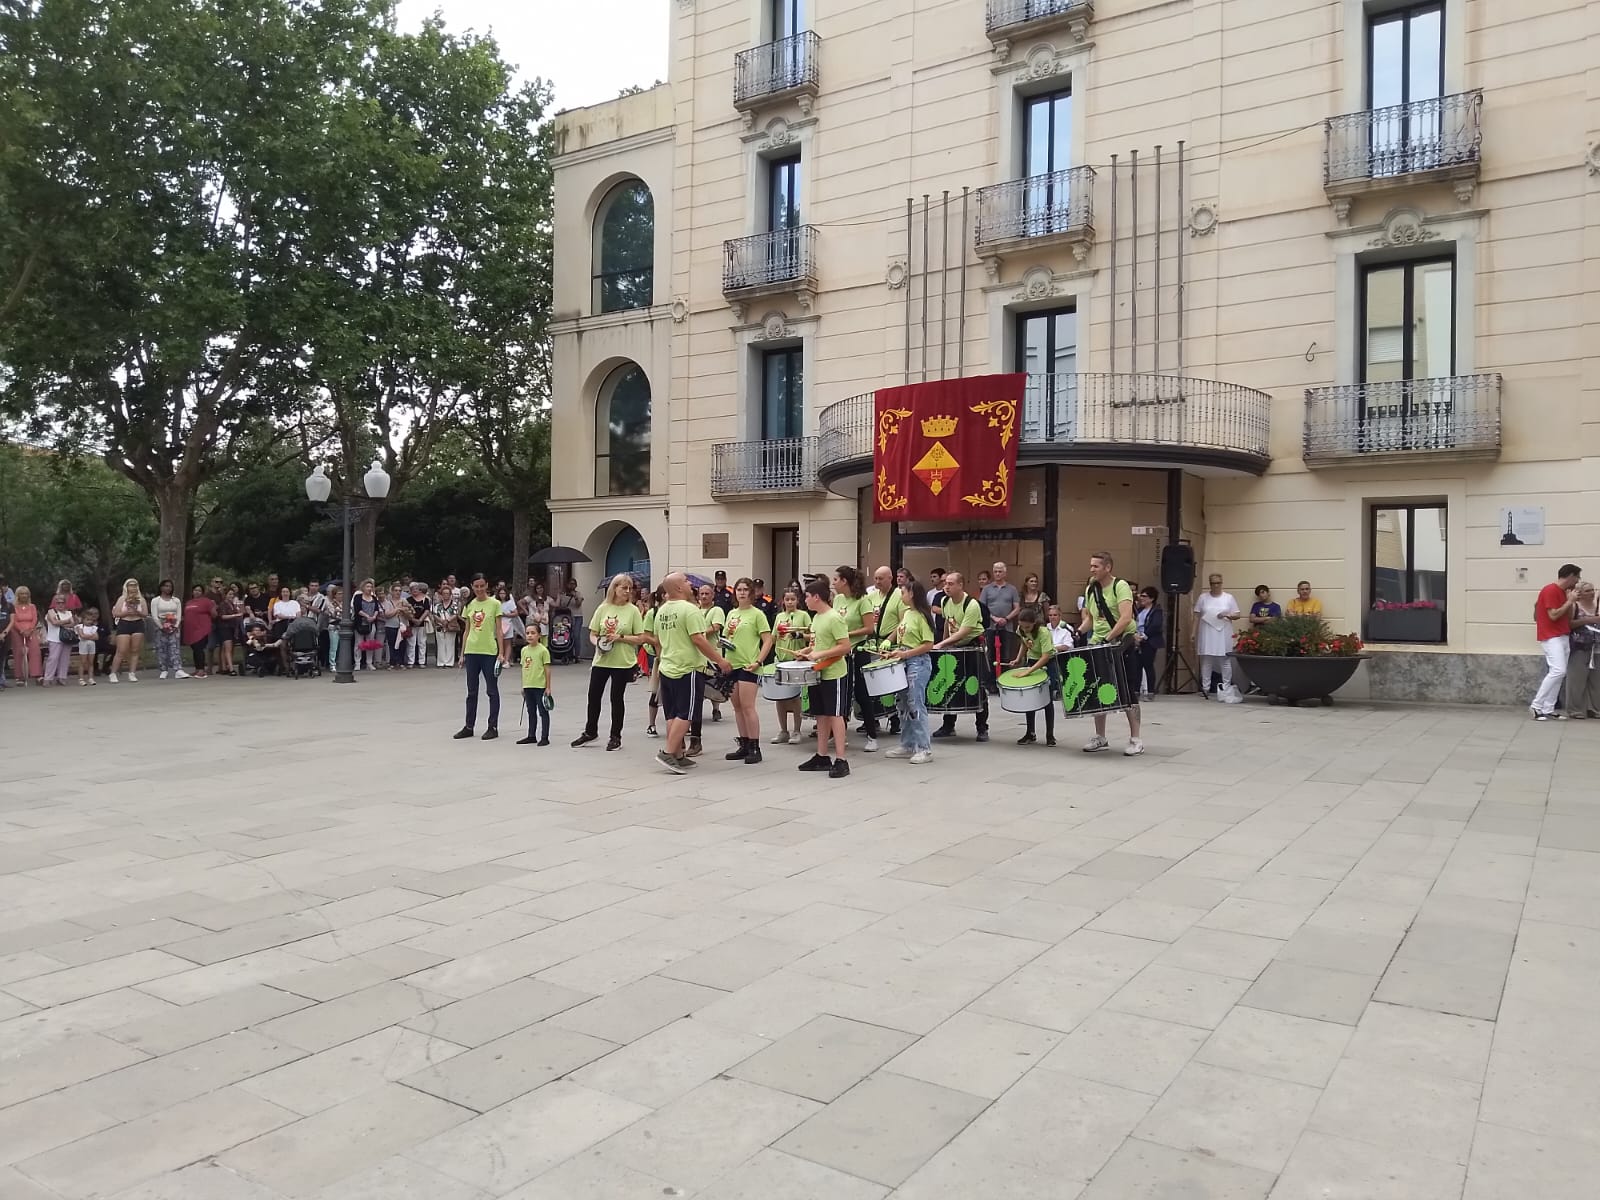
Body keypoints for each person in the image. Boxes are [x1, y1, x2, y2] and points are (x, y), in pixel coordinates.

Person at [653, 572, 732, 775]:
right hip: (687, 669)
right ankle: (669, 752)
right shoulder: (690, 609)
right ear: (679, 588)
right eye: (687, 581)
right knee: (686, 714)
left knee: (672, 714)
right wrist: (720, 660)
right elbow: (699, 639)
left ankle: (679, 754)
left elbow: (658, 640)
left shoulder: (661, 611)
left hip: (667, 668)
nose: (691, 584)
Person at [1077, 552, 1145, 756]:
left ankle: (1136, 739)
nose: (1092, 569)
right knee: (1098, 690)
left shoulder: (1120, 586)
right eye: (1091, 566)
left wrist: (1108, 639)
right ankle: (1100, 737)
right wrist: (1078, 631)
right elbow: (1091, 617)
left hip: (1121, 643)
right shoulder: (1091, 588)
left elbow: (1125, 618)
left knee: (1127, 691)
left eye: (1096, 566)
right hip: (1099, 642)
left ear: (1108, 567)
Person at [574, 574, 648, 752]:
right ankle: (590, 731)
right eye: (624, 588)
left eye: (629, 588)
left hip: (622, 662)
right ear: (614, 588)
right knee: (593, 696)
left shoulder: (632, 610)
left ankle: (615, 736)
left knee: (616, 698)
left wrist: (620, 637)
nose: (627, 591)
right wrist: (597, 643)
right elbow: (593, 633)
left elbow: (641, 638)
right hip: (602, 659)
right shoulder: (603, 608)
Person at [797, 577, 852, 778]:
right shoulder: (817, 617)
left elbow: (845, 646)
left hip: (834, 673)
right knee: (820, 714)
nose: (805, 600)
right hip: (818, 672)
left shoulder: (834, 617)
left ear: (817, 597)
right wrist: (806, 651)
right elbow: (819, 643)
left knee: (835, 715)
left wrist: (818, 655)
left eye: (807, 596)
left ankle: (841, 759)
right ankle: (821, 756)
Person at [879, 578, 936, 764]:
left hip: (918, 663)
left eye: (903, 592)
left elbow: (928, 644)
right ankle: (908, 744)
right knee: (902, 704)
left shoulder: (921, 616)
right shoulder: (908, 614)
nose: (901, 595)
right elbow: (899, 632)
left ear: (912, 594)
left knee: (915, 705)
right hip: (904, 660)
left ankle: (924, 748)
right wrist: (891, 646)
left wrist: (906, 654)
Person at [931, 571, 990, 743]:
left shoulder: (971, 605)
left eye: (950, 584)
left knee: (977, 687)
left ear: (960, 585)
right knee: (949, 684)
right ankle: (948, 725)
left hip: (972, 647)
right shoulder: (945, 601)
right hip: (954, 646)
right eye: (945, 584)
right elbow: (948, 627)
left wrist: (942, 644)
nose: (946, 587)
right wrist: (944, 646)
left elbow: (965, 631)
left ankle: (982, 727)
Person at [721, 578, 774, 763]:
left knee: (748, 706)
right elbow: (727, 636)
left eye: (745, 590)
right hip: (731, 663)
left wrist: (759, 661)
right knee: (737, 707)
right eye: (739, 589)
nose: (742, 593)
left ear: (751, 593)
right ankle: (743, 744)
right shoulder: (732, 614)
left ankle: (754, 746)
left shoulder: (757, 614)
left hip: (748, 664)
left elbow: (768, 639)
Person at [832, 566, 880, 751]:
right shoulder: (837, 600)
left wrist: (846, 633)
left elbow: (869, 629)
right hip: (840, 652)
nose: (833, 583)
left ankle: (872, 735)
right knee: (841, 694)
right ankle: (839, 734)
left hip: (858, 651)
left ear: (844, 581)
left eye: (836, 579)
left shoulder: (863, 600)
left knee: (861, 693)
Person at [455, 575, 507, 741]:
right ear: (472, 586)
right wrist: (462, 654)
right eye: (476, 586)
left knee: (491, 690)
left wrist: (501, 652)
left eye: (482, 586)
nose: (479, 589)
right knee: (471, 691)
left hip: (489, 652)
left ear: (487, 586)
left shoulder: (494, 604)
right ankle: (469, 725)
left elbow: (499, 630)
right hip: (472, 650)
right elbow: (466, 630)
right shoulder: (469, 605)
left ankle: (493, 726)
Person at [1532, 564, 1583, 720]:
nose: (1577, 581)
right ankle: (1536, 706)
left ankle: (1548, 708)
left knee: (1560, 673)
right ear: (1570, 576)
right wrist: (1569, 602)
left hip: (1562, 635)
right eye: (1577, 577)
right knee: (1558, 671)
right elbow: (1553, 615)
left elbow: (1566, 618)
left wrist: (1571, 601)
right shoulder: (1550, 590)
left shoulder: (1563, 592)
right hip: (1551, 636)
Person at [1004, 606, 1057, 746]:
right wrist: (1018, 659)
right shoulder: (1021, 630)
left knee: (1047, 700)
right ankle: (1030, 733)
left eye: (1028, 627)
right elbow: (1024, 643)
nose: (1025, 630)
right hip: (1032, 660)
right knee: (1029, 699)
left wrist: (1027, 672)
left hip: (1047, 663)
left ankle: (1050, 735)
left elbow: (1046, 656)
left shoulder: (1043, 632)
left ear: (1034, 623)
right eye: (1022, 627)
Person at [769, 585, 811, 744]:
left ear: (797, 600)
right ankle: (783, 730)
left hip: (797, 661)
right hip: (781, 659)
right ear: (783, 601)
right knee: (779, 698)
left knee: (795, 698)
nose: (790, 602)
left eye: (793, 599)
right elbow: (773, 638)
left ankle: (797, 730)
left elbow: (812, 635)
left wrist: (799, 635)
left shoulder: (804, 615)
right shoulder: (779, 616)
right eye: (787, 599)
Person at [1192, 573, 1242, 698]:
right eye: (1213, 583)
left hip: (1223, 632)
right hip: (1207, 632)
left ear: (1221, 583)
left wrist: (1227, 615)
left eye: (1218, 583)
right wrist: (1193, 632)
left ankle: (1226, 687)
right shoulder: (1203, 597)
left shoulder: (1228, 598)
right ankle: (1206, 688)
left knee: (1224, 660)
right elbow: (1197, 616)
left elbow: (1237, 614)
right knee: (1206, 661)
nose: (1215, 585)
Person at [980, 561, 1022, 683]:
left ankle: (1005, 682)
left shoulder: (1012, 589)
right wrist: (994, 618)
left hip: (1007, 627)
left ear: (1005, 573)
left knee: (1006, 655)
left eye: (1000, 571)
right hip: (991, 627)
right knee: (990, 655)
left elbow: (1017, 608)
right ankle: (991, 683)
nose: (997, 574)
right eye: (995, 571)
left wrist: (1006, 619)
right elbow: (982, 608)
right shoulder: (987, 589)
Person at [1565, 580, 1600, 719]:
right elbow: (1569, 624)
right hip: (1579, 646)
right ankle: (1575, 709)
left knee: (1597, 681)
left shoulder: (1597, 604)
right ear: (1579, 593)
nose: (1591, 593)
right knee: (1576, 679)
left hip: (1597, 647)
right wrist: (1591, 620)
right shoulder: (1575, 607)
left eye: (1592, 590)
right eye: (1587, 591)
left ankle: (1595, 708)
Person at [695, 584, 726, 734]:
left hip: (713, 652)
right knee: (700, 684)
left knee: (714, 683)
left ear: (713, 595)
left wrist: (700, 633)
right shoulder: (695, 610)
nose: (704, 596)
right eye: (702, 593)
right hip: (698, 654)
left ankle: (716, 708)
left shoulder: (716, 610)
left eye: (707, 593)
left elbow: (717, 626)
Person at [517, 624, 553, 746]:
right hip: (528, 685)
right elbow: (524, 669)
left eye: (533, 633)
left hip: (539, 686)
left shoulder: (543, 650)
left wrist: (548, 687)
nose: (530, 635)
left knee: (543, 712)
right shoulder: (524, 650)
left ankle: (545, 737)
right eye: (527, 633)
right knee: (531, 711)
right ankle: (531, 735)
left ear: (539, 635)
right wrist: (523, 685)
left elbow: (547, 669)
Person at [108, 579, 147, 683]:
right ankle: (113, 673)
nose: (133, 588)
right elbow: (116, 613)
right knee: (121, 650)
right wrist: (126, 613)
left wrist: (137, 612)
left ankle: (132, 673)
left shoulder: (141, 599)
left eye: (135, 585)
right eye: (131, 585)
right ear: (126, 587)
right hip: (125, 623)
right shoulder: (122, 599)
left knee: (135, 650)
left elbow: (145, 614)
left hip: (137, 623)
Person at [1134, 587, 1165, 700]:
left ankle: (1151, 691)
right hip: (1138, 640)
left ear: (1151, 598)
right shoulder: (1140, 610)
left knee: (1148, 665)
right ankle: (1136, 691)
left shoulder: (1156, 610)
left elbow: (1156, 625)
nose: (1142, 598)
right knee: (1137, 666)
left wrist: (1144, 636)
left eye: (1145, 596)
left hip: (1149, 641)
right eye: (1141, 596)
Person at [150, 579, 184, 680]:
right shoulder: (156, 600)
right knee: (161, 648)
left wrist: (176, 626)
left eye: (170, 586)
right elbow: (154, 616)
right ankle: (163, 669)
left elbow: (178, 614)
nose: (168, 588)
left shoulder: (176, 600)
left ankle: (178, 669)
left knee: (174, 647)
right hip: (161, 624)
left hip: (173, 625)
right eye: (166, 586)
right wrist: (161, 627)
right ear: (161, 587)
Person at [181, 584, 216, 678]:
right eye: (195, 590)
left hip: (202, 629)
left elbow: (214, 614)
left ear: (202, 592)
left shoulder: (207, 601)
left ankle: (201, 670)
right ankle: (197, 669)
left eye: (199, 590)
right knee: (194, 649)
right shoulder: (189, 602)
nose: (197, 592)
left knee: (199, 648)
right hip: (190, 630)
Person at [42, 590, 76, 687]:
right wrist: (66, 621)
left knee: (65, 658)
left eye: (62, 602)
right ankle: (48, 678)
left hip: (67, 638)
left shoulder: (69, 612)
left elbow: (73, 623)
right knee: (53, 658)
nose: (60, 604)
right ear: (55, 603)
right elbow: (54, 622)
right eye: (58, 602)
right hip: (54, 638)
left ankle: (62, 677)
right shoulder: (51, 611)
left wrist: (63, 622)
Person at [352, 580, 382, 670]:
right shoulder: (358, 597)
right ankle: (357, 662)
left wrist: (374, 616)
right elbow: (357, 609)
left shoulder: (374, 597)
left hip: (371, 623)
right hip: (360, 623)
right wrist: (367, 616)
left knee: (370, 643)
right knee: (359, 643)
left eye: (370, 587)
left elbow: (377, 608)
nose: (369, 588)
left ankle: (369, 662)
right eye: (367, 587)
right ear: (363, 588)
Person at [433, 581, 461, 668]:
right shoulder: (437, 605)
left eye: (447, 593)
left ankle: (449, 662)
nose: (445, 595)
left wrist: (447, 621)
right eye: (444, 593)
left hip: (450, 626)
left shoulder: (454, 604)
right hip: (440, 626)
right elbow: (434, 614)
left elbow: (455, 614)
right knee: (441, 644)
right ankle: (441, 662)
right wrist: (442, 621)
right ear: (441, 595)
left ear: (450, 595)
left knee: (450, 644)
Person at [406, 582, 431, 668]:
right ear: (410, 591)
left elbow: (427, 610)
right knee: (411, 643)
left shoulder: (425, 599)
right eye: (413, 589)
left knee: (422, 643)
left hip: (422, 623)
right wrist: (413, 619)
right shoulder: (408, 600)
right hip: (411, 624)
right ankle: (410, 661)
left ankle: (422, 661)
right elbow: (406, 611)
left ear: (420, 590)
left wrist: (420, 620)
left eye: (417, 589)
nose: (415, 591)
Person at [75, 606, 100, 685]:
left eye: (91, 620)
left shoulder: (94, 627)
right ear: (83, 619)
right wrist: (90, 636)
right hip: (83, 645)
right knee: (83, 661)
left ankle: (90, 678)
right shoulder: (80, 627)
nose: (89, 622)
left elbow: (96, 637)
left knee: (91, 662)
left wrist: (87, 636)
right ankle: (81, 678)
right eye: (87, 619)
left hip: (92, 645)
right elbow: (82, 636)